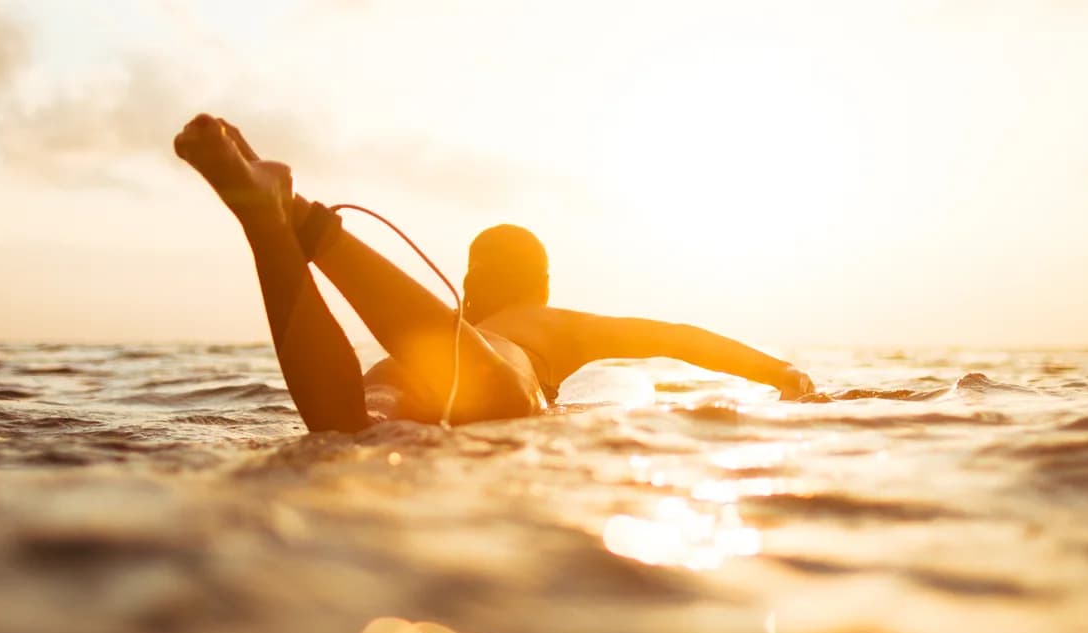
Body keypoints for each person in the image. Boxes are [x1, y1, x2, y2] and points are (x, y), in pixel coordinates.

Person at [174, 113, 815, 430]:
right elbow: (680, 337)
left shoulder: (449, 320)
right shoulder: (554, 323)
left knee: (345, 424)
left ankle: (269, 227)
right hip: (480, 369)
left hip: (396, 375)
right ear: (541, 282)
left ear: (474, 282)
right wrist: (779, 372)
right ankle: (304, 222)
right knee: (496, 394)